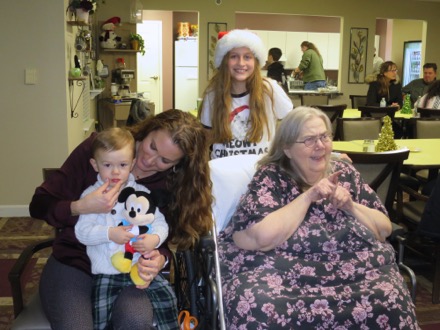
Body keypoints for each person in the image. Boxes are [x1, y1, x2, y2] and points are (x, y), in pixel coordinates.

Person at [217, 107, 419, 329]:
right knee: (258, 303)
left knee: (391, 296)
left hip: (357, 273)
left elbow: (383, 230)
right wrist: (308, 197)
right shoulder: (271, 178)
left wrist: (351, 206)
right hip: (284, 278)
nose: (320, 146)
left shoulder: (346, 173)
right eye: (309, 140)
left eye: (324, 137)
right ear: (287, 148)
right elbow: (259, 238)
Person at [29, 109, 212, 329]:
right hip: (74, 262)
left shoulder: (172, 187)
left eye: (164, 160)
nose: (148, 160)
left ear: (177, 165)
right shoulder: (101, 148)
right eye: (152, 146)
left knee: (135, 320)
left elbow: (163, 238)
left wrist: (158, 259)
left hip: (127, 270)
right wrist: (80, 207)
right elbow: (39, 204)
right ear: (148, 130)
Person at [74, 127, 169, 329]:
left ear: (132, 164)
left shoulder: (142, 192)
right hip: (105, 273)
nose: (116, 171)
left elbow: (160, 223)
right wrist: (109, 234)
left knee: (167, 299)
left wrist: (155, 239)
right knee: (98, 318)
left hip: (138, 268)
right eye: (108, 165)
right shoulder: (90, 195)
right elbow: (82, 232)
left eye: (123, 165)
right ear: (95, 165)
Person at [199, 29, 293, 159]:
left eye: (247, 57)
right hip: (223, 171)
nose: (241, 63)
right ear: (224, 61)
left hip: (261, 172)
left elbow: (293, 126)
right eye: (234, 56)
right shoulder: (213, 94)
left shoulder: (269, 89)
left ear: (256, 61)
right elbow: (206, 137)